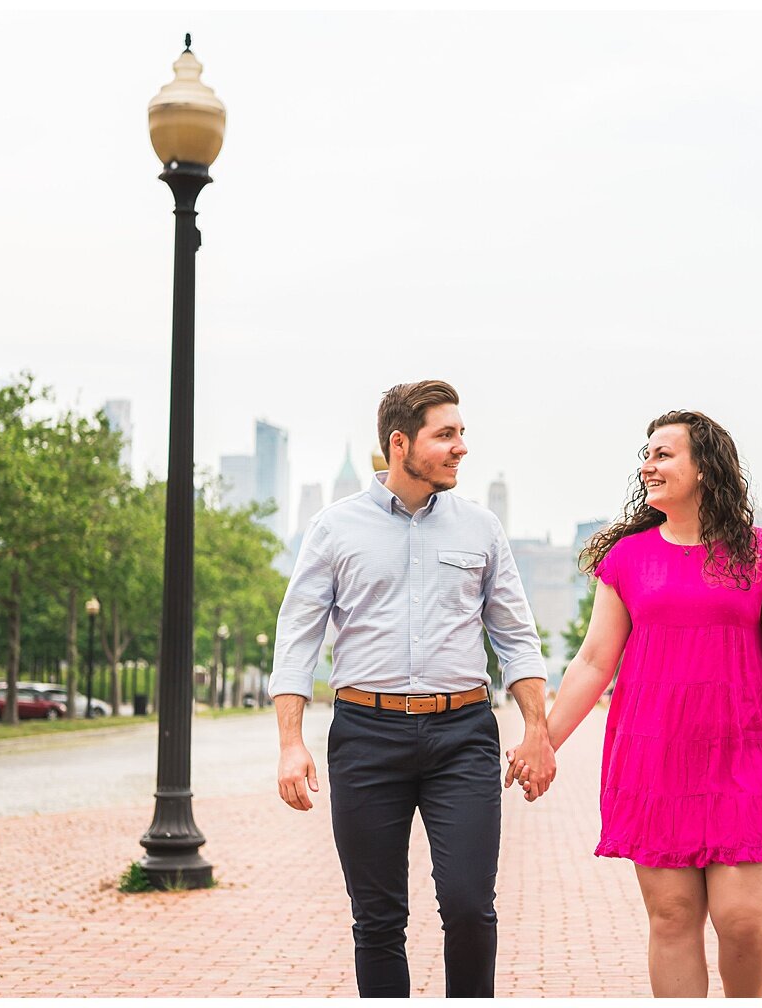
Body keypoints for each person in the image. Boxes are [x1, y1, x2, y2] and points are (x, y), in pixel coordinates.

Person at [510, 409, 762, 997]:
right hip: (655, 761)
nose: (648, 465)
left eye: (663, 453)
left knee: (744, 921)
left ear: (704, 467)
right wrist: (542, 741)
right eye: (646, 455)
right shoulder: (627, 559)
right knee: (674, 918)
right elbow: (593, 662)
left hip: (748, 755)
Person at [270, 379, 555, 998]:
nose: (460, 448)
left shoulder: (481, 529)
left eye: (461, 434)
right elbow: (296, 639)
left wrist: (538, 730)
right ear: (401, 444)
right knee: (377, 922)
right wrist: (291, 743)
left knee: (470, 906)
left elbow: (515, 638)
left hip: (463, 736)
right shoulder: (334, 529)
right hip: (366, 737)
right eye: (445, 435)